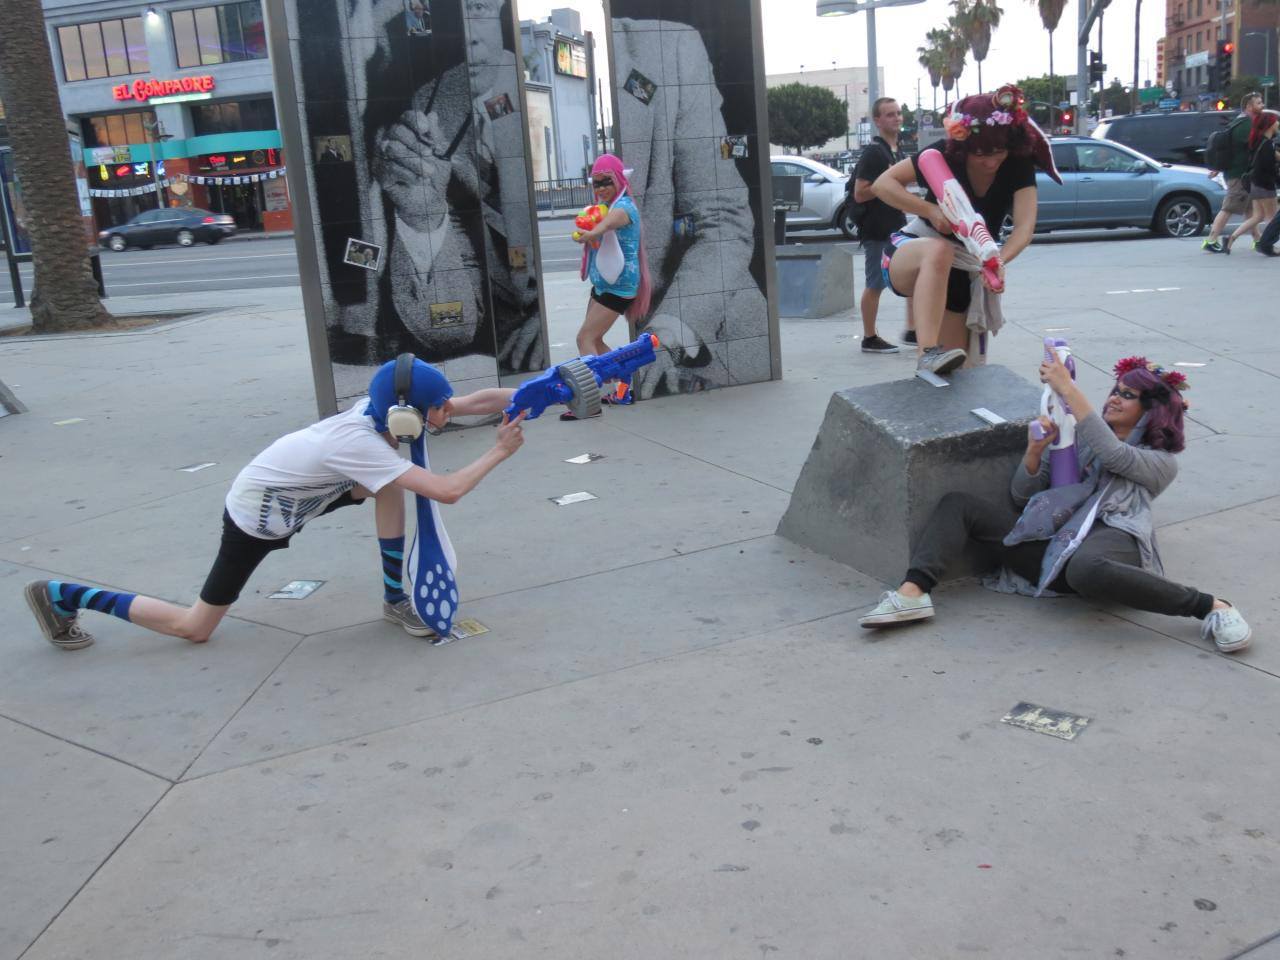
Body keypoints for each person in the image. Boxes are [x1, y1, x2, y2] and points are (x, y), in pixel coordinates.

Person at [23, 359, 525, 650]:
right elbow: (447, 491)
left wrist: (545, 389)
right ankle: (63, 594)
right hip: (257, 517)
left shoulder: (384, 417)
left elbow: (476, 401)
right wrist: (500, 451)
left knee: (389, 483)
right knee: (194, 627)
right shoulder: (359, 444)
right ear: (406, 415)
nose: (446, 413)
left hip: (311, 494)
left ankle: (394, 599)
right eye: (436, 408)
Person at [858, 353, 1252, 654]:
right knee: (959, 504)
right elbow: (1022, 497)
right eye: (1115, 390)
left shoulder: (1160, 462)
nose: (1114, 399)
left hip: (1109, 541)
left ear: (1151, 413)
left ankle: (1211, 607)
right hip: (1052, 553)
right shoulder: (1076, 437)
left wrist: (1068, 390)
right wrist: (1034, 452)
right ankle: (914, 593)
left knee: (1086, 567)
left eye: (1127, 395)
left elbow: (1115, 456)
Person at [872, 85, 1060, 375]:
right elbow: (882, 185)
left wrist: (997, 261)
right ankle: (926, 352)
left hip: (967, 265)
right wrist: (931, 211)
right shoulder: (943, 154)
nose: (991, 161)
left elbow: (1024, 228)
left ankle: (934, 365)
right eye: (980, 154)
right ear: (962, 146)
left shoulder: (1018, 164)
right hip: (912, 250)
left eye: (998, 152)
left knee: (959, 373)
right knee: (939, 250)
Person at [563, 154, 653, 421]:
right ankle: (622, 387)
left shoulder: (624, 207)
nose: (601, 188)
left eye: (606, 182)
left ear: (619, 180)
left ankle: (590, 403)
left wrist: (591, 233)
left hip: (617, 288)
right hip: (603, 284)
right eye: (596, 183)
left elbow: (607, 224)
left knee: (584, 339)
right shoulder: (605, 206)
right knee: (595, 340)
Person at [852, 97, 909, 355]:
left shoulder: (896, 150)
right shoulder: (874, 152)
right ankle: (869, 337)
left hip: (896, 226)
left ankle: (913, 330)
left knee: (913, 276)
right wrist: (886, 184)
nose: (896, 118)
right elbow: (860, 193)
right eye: (889, 114)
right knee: (875, 283)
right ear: (877, 120)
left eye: (898, 113)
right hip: (877, 229)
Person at [1203, 92, 1264, 253]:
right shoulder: (1246, 125)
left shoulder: (1239, 122)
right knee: (1229, 207)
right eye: (1259, 103)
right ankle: (1211, 240)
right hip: (1239, 175)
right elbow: (1257, 146)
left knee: (1250, 209)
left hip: (1241, 174)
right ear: (1249, 106)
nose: (1262, 106)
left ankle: (1258, 240)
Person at [1223, 110, 1279, 254]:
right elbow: (1268, 168)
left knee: (1257, 216)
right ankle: (1267, 245)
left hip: (1255, 184)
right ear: (1270, 124)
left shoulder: (1257, 141)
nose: (1278, 123)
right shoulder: (1267, 144)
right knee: (1272, 219)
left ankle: (1231, 237)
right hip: (1265, 185)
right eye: (1276, 121)